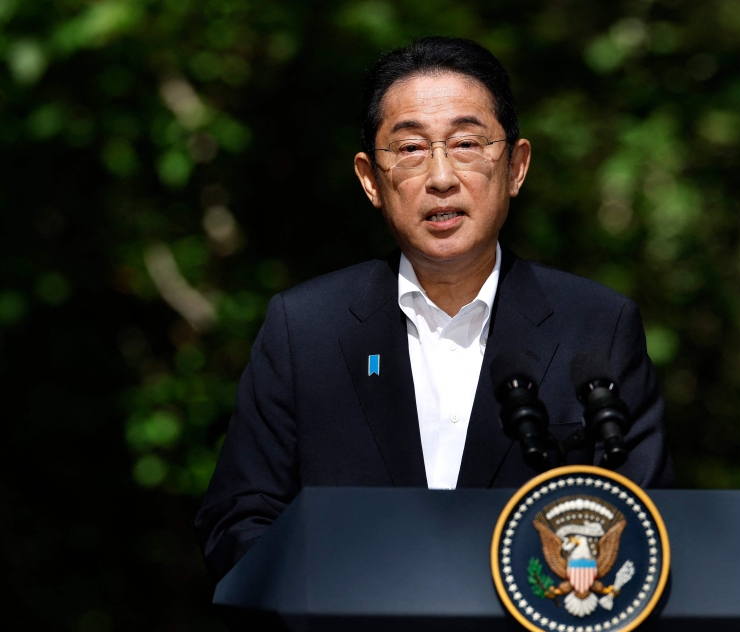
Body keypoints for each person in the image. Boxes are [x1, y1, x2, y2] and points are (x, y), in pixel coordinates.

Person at [195, 37, 673, 583]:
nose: (441, 177)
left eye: (466, 143)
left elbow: (647, 530)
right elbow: (238, 520)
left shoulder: (596, 327)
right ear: (371, 179)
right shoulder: (305, 330)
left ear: (516, 166)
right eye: (410, 149)